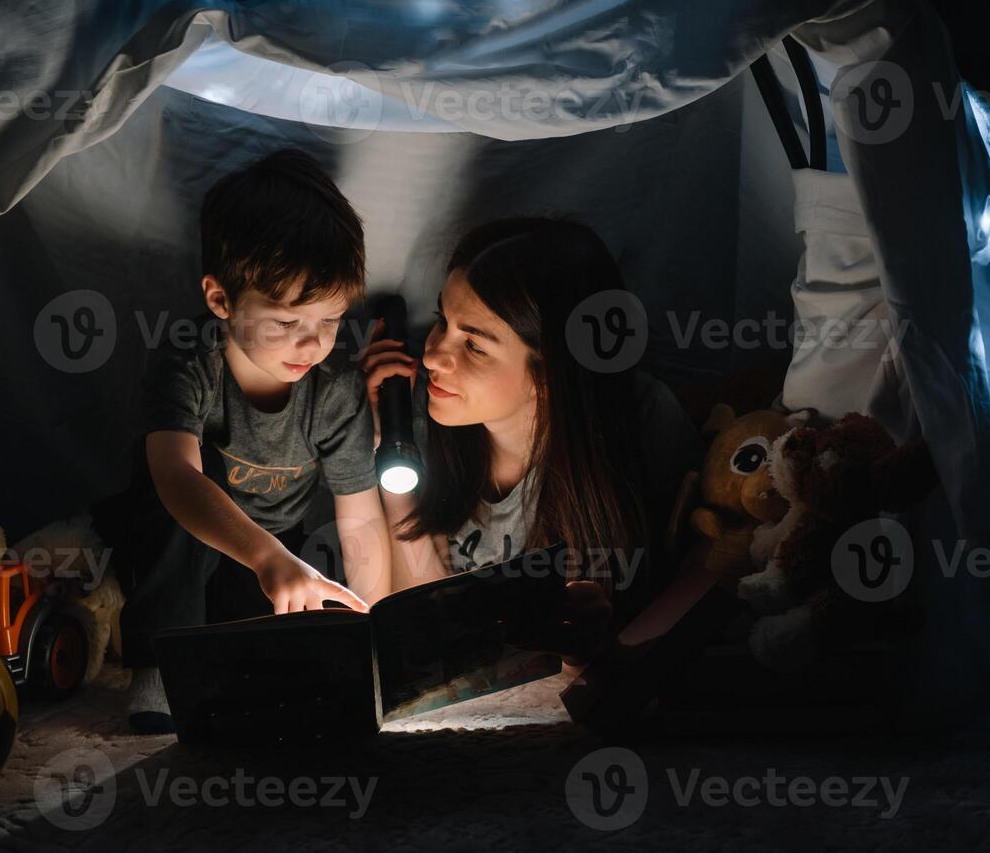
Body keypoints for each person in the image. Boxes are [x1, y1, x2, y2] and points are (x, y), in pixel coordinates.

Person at [100, 149, 392, 734]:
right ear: (221, 300)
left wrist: (375, 628)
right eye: (287, 323)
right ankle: (158, 663)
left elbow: (359, 522)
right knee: (173, 519)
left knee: (277, 650)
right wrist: (267, 557)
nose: (311, 345)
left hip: (269, 547)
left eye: (330, 322)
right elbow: (175, 477)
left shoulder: (336, 393)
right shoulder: (190, 364)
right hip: (185, 532)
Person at [359, 216, 706, 663]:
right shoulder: (425, 428)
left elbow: (713, 566)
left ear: (550, 375)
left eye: (475, 346)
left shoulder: (643, 419)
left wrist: (613, 651)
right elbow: (423, 619)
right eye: (442, 320)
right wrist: (389, 443)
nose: (431, 355)